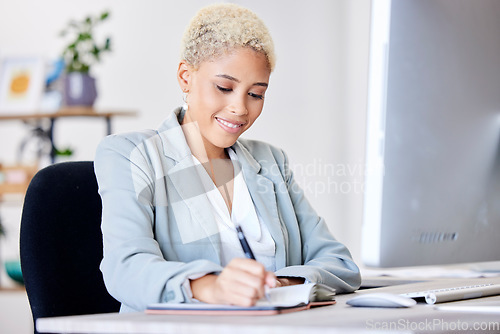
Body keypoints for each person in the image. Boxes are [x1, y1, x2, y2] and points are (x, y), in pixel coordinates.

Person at [94, 3, 361, 313]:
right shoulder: (130, 154)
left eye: (256, 93)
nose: (240, 108)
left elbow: (340, 263)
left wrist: (282, 283)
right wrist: (211, 286)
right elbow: (125, 269)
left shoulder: (271, 162)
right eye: (224, 87)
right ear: (185, 77)